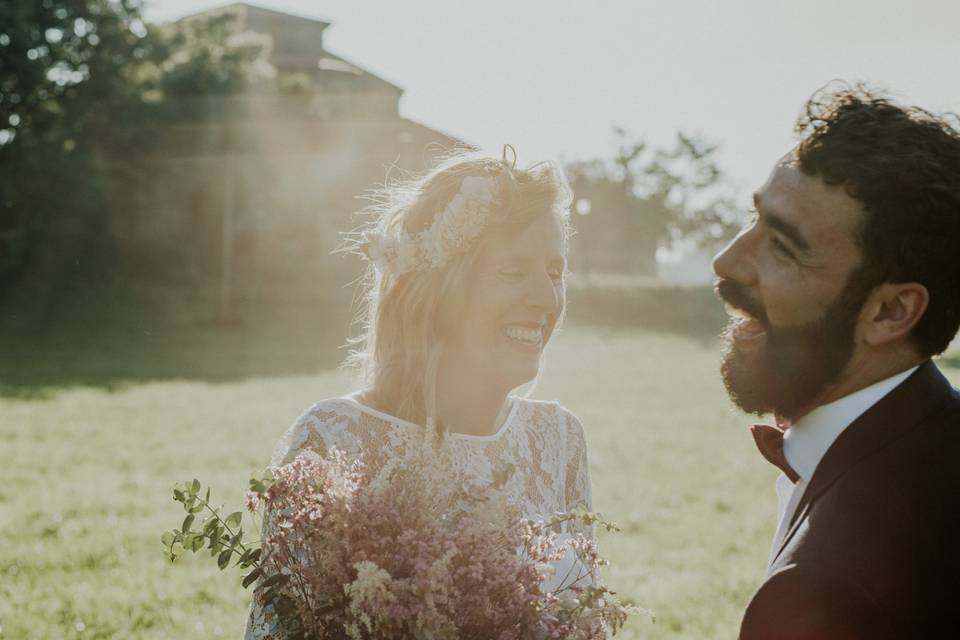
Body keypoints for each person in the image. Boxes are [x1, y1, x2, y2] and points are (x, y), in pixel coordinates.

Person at [244, 149, 595, 638]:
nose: (546, 298)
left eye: (555, 272)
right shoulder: (333, 439)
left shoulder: (560, 441)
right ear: (439, 291)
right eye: (513, 272)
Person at [713, 84, 960, 639]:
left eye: (783, 246)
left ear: (891, 310)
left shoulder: (823, 589)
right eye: (753, 221)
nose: (727, 260)